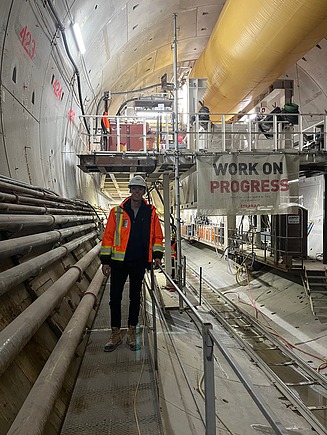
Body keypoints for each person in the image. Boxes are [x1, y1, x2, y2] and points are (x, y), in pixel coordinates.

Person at [100, 175, 164, 352]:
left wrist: (157, 255)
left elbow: (158, 236)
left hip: (139, 262)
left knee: (135, 298)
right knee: (115, 298)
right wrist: (105, 261)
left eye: (140, 188)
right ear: (130, 190)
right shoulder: (117, 212)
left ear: (144, 191)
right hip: (118, 262)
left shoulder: (150, 212)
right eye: (134, 188)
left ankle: (131, 333)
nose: (137, 191)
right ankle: (115, 334)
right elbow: (108, 236)